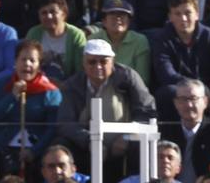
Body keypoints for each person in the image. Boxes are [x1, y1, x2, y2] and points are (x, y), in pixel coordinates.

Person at [55, 38, 156, 168]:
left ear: (112, 62)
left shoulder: (128, 77)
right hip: (86, 146)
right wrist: (90, 140)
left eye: (103, 61)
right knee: (60, 145)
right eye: (92, 62)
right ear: (83, 63)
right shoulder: (72, 85)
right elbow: (65, 123)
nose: (98, 66)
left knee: (139, 143)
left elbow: (147, 111)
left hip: (123, 144)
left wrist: (127, 137)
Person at [0, 39, 60, 165]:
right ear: (15, 62)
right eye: (23, 59)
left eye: (32, 60)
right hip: (1, 150)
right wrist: (12, 96)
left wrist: (34, 151)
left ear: (39, 65)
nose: (27, 64)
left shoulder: (50, 92)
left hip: (35, 152)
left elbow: (52, 129)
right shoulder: (0, 85)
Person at [152, 0, 210, 94]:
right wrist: (196, 89)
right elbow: (166, 74)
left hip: (209, 95)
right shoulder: (162, 39)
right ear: (170, 17)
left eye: (187, 13)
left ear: (197, 14)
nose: (183, 18)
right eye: (177, 14)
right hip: (179, 93)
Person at [163, 77, 210, 183]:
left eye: (193, 99)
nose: (189, 105)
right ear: (176, 103)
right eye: (183, 99)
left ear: (205, 102)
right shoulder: (164, 130)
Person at [25, 0, 86, 83]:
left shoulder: (76, 36)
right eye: (44, 13)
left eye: (53, 12)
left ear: (63, 13)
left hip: (67, 87)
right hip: (38, 84)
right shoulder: (33, 33)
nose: (48, 16)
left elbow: (80, 72)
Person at [106, 139, 182, 183]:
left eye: (170, 158)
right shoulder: (132, 181)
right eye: (160, 157)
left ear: (179, 168)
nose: (165, 161)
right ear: (149, 163)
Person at [89, 0, 149, 85]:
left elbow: (143, 79)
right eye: (112, 14)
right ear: (104, 22)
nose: (118, 18)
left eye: (122, 15)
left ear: (129, 21)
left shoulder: (140, 41)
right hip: (99, 89)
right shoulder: (93, 40)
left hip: (130, 90)